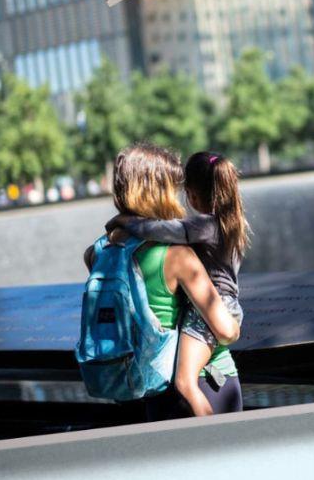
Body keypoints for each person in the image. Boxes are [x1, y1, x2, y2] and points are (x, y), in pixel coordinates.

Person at [83, 143, 241, 419]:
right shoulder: (177, 256)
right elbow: (226, 330)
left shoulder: (98, 254)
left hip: (148, 390)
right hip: (208, 386)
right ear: (159, 191)